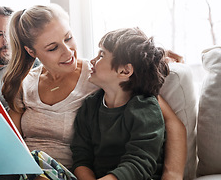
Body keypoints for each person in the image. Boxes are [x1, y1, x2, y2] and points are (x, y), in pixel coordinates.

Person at [0, 4, 186, 180]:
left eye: (68, 38)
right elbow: (7, 141)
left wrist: (172, 176)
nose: (67, 52)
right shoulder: (26, 83)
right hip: (21, 171)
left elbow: (171, 123)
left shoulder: (99, 77)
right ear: (31, 51)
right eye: (53, 48)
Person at [71, 27, 168, 180]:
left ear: (125, 71)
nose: (92, 60)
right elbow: (81, 157)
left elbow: (138, 164)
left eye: (101, 55)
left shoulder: (145, 108)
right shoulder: (90, 105)